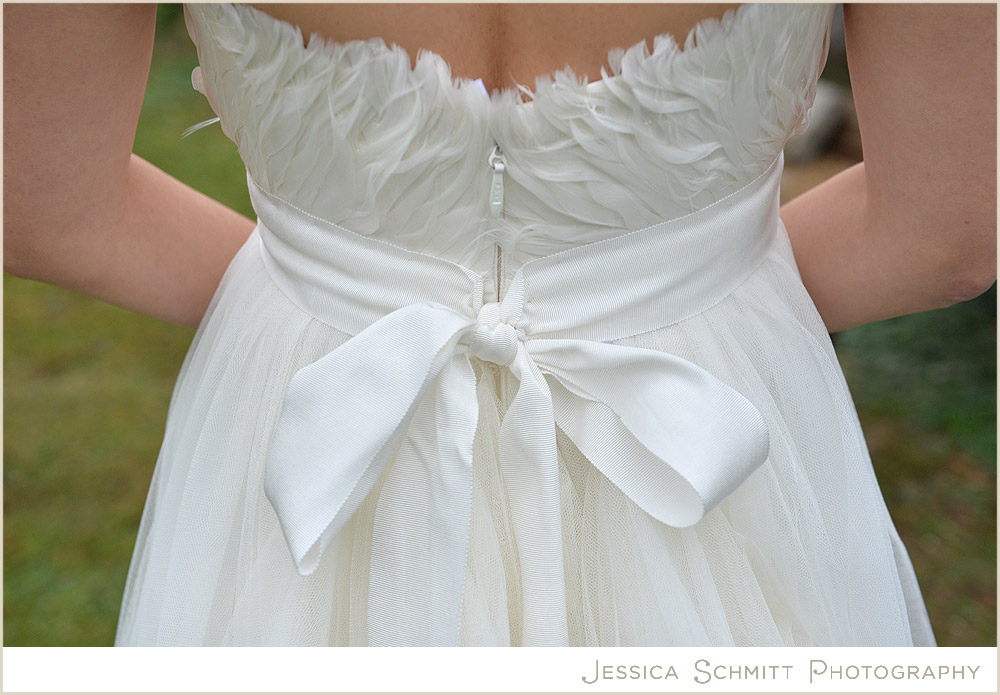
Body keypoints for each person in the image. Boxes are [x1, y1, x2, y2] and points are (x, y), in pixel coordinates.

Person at [4, 3, 995, 647]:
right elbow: (945, 232)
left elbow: (46, 206)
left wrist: (333, 298)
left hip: (313, 414)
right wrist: (689, 295)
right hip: (707, 419)